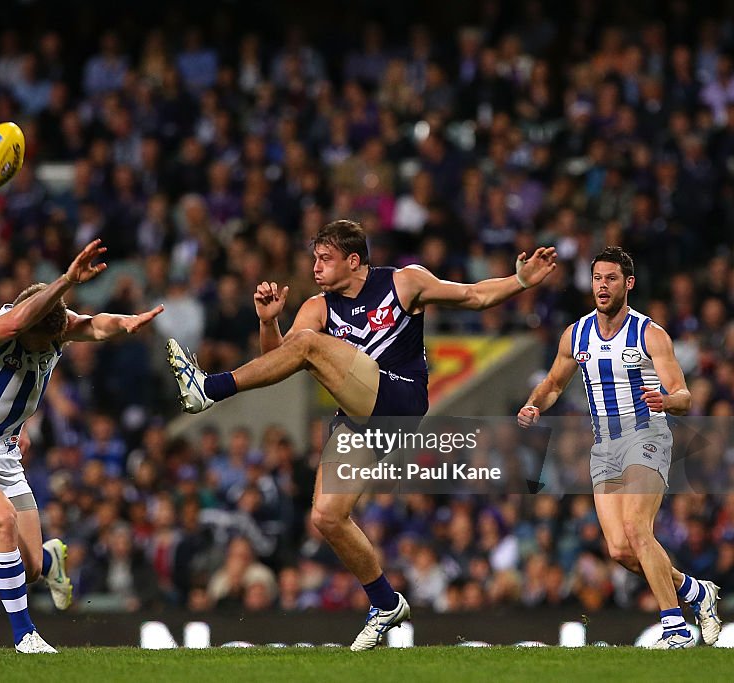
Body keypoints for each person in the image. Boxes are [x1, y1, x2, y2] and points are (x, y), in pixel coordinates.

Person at [167, 219, 557, 650]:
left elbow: (473, 295)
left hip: (400, 398)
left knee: (310, 344)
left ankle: (210, 388)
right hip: (359, 415)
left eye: (325, 258)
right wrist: (268, 324)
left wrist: (521, 280)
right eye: (314, 257)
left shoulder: (404, 283)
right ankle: (386, 603)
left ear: (354, 261)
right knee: (326, 516)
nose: (315, 266)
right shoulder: (318, 306)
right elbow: (279, 362)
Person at [0, 239, 163, 653]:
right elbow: (15, 325)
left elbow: (93, 325)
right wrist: (68, 278)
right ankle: (25, 636)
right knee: (1, 522)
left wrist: (124, 324)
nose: (50, 347)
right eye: (43, 340)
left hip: (5, 453)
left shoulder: (53, 327)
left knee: (27, 566)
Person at [518, 246, 722, 649]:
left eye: (611, 278)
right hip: (604, 445)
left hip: (646, 435)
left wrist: (667, 399)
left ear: (627, 283)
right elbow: (555, 384)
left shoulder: (650, 333)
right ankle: (696, 593)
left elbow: (684, 394)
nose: (602, 286)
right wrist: (533, 404)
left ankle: (676, 628)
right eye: (597, 278)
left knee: (636, 528)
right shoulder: (576, 334)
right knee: (620, 549)